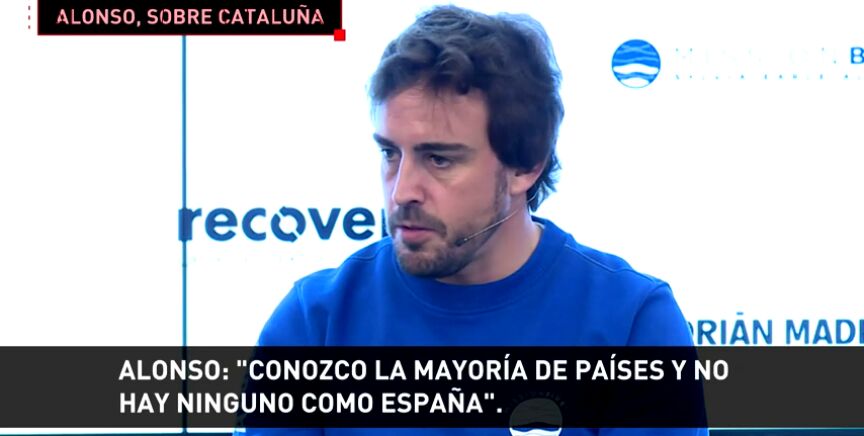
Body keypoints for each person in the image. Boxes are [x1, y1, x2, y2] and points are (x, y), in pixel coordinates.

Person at [245, 5, 707, 436]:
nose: (402, 191)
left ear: (525, 166)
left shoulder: (633, 325)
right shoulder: (314, 323)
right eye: (390, 153)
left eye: (439, 159)